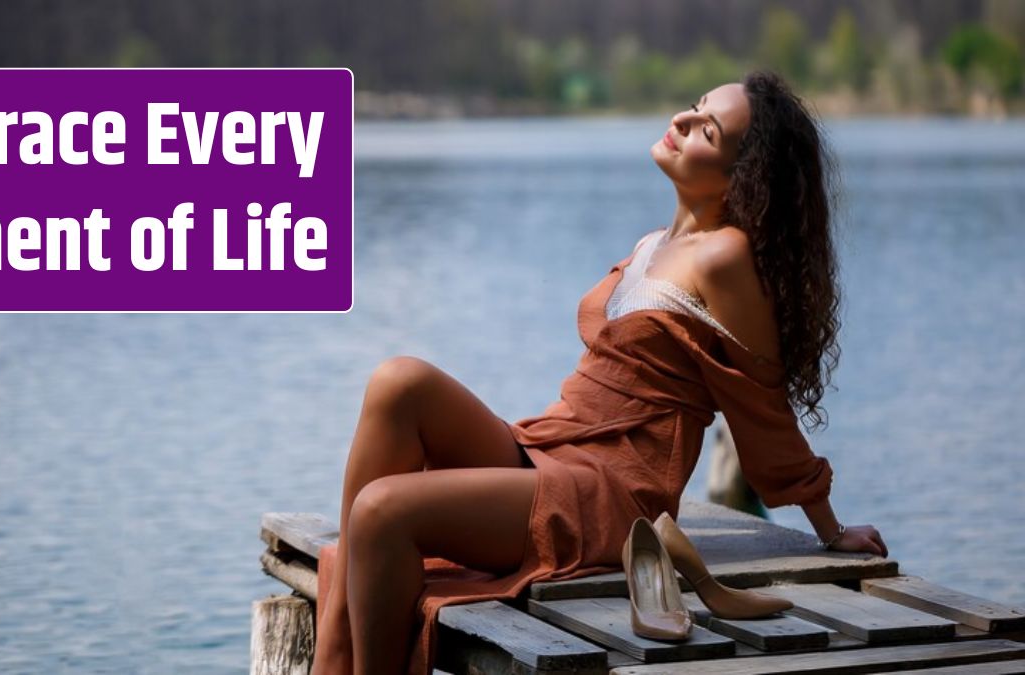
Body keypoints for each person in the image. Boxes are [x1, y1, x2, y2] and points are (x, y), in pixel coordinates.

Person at [309, 70, 889, 675]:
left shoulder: (726, 257)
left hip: (614, 495)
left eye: (707, 131)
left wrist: (830, 526)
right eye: (693, 108)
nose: (683, 122)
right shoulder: (651, 244)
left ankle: (343, 664)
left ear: (741, 177)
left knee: (382, 510)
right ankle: (338, 653)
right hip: (555, 446)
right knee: (398, 383)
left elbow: (760, 404)